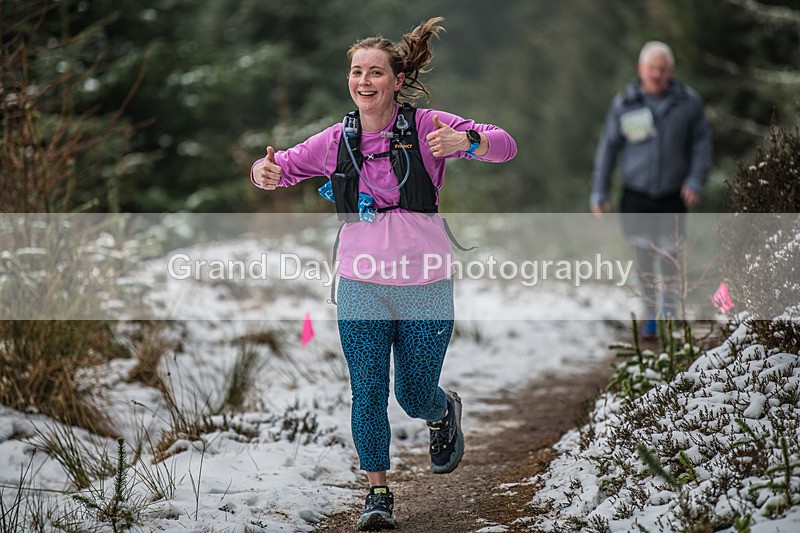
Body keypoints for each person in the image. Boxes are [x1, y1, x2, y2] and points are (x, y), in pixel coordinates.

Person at [250, 17, 516, 530]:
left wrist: (467, 145)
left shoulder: (426, 126)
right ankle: (377, 495)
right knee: (368, 389)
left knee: (413, 393)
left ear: (396, 80)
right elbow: (278, 168)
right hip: (361, 283)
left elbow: (504, 143)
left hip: (425, 283)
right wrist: (263, 173)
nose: (364, 81)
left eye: (375, 72)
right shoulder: (335, 139)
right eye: (356, 72)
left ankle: (441, 411)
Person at [590, 40, 712, 339]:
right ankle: (650, 317)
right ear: (640, 70)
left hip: (673, 192)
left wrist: (695, 180)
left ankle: (669, 312)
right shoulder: (625, 103)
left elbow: (701, 143)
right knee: (643, 255)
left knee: (670, 257)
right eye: (651, 68)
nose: (656, 74)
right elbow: (609, 147)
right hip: (636, 192)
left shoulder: (688, 102)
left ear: (670, 71)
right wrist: (599, 191)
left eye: (662, 68)